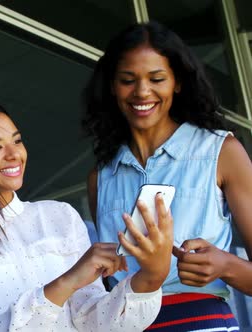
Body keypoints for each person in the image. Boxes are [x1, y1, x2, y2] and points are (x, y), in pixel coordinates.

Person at [0, 101, 173, 331]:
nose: (15, 154)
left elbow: (94, 322)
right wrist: (67, 282)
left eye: (17, 140)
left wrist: (150, 277)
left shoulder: (60, 217)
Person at [83, 21, 252, 331]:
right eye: (127, 80)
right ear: (111, 85)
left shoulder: (222, 151)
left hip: (200, 320)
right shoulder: (101, 175)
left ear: (177, 82)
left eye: (157, 78)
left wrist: (227, 265)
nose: (142, 91)